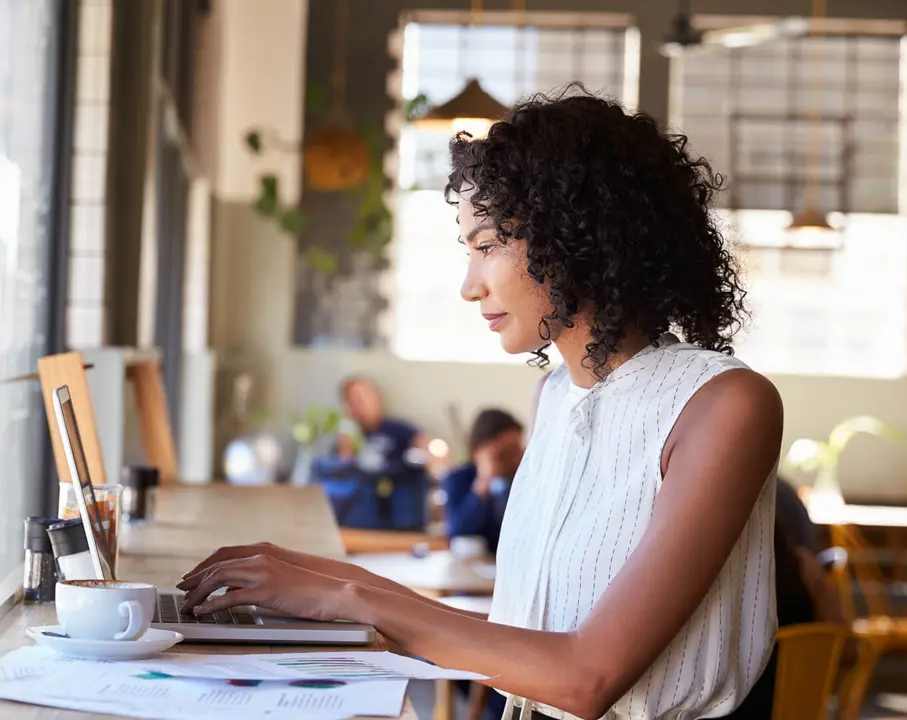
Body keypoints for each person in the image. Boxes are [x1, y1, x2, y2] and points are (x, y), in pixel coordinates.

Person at [178, 87, 782, 720]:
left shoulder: (724, 405)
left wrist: (347, 596)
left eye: (488, 245)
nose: (470, 286)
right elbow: (521, 637)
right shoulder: (555, 396)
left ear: (579, 236)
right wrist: (307, 575)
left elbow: (586, 675)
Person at [312, 376, 432, 530]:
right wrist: (346, 442)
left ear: (376, 397)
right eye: (353, 400)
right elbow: (341, 473)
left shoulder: (398, 430)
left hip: (399, 509)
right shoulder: (348, 436)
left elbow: (426, 449)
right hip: (361, 514)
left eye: (363, 397)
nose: (360, 404)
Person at [444, 408, 525, 554]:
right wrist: (484, 482)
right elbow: (458, 530)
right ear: (479, 451)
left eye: (518, 450)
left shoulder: (524, 479)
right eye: (506, 452)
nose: (515, 458)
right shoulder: (458, 478)